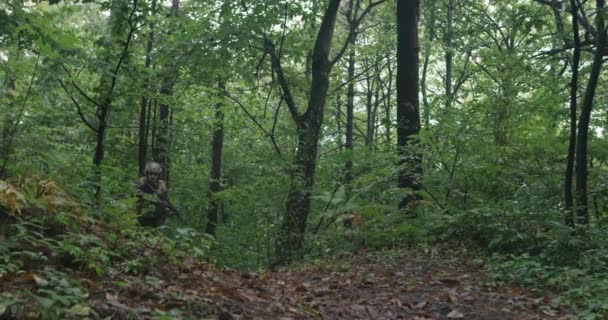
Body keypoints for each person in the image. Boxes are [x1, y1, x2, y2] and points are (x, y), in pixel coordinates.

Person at [135, 161, 169, 227]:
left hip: (158, 217)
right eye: (150, 174)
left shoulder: (161, 185)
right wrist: (151, 198)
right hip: (144, 217)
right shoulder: (141, 182)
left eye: (155, 174)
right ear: (146, 174)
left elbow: (165, 198)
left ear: (158, 175)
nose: (152, 176)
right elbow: (134, 192)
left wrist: (165, 206)